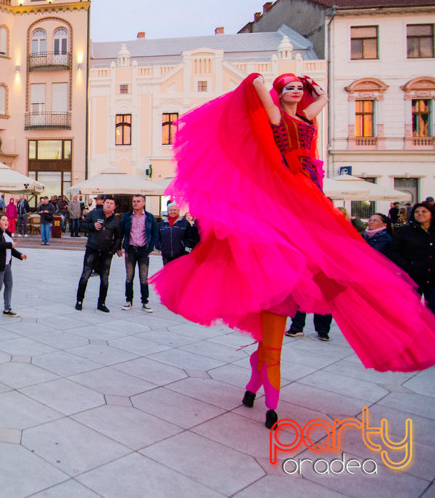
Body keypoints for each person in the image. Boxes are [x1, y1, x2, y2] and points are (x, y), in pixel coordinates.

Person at [153, 72, 435, 429]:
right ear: (281, 93)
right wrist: (258, 81)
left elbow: (320, 105)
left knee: (318, 249)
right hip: (285, 182)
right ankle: (266, 401)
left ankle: (254, 390)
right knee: (272, 333)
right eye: (290, 89)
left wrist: (318, 92)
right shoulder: (278, 117)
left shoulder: (304, 117)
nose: (296, 93)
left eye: (298, 89)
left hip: (304, 186)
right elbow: (264, 99)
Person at [76, 197, 122, 312]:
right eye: (107, 203)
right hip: (92, 248)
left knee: (105, 278)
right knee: (85, 275)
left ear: (114, 207)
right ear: (104, 204)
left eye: (111, 203)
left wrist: (113, 250)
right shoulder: (94, 214)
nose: (108, 205)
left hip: (106, 252)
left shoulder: (116, 221)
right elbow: (82, 224)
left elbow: (119, 237)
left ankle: (101, 302)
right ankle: (79, 300)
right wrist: (92, 226)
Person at [388, 202, 435, 315]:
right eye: (417, 212)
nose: (420, 214)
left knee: (432, 311)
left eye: (424, 211)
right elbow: (393, 252)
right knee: (411, 311)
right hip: (412, 278)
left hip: (433, 279)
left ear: (431, 214)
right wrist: (409, 265)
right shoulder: (406, 231)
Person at [119, 195, 159, 312]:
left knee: (143, 277)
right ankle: (128, 300)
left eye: (138, 201)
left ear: (143, 203)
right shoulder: (127, 216)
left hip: (143, 251)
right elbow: (121, 232)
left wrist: (150, 249)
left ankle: (145, 302)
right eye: (134, 201)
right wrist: (120, 247)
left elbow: (155, 234)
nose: (135, 203)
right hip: (130, 250)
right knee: (129, 277)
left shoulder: (149, 217)